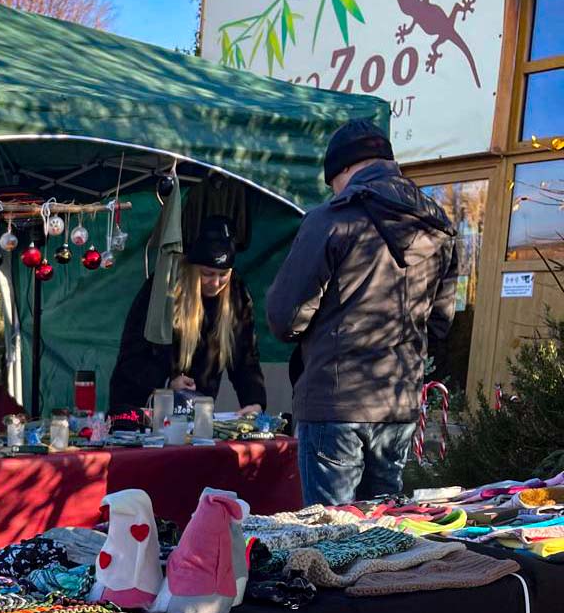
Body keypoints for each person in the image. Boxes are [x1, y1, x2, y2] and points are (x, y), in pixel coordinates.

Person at [267, 120, 457, 506]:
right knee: (383, 536)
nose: (335, 190)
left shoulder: (333, 217)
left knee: (330, 539)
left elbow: (285, 317)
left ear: (344, 169)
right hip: (397, 402)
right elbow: (441, 322)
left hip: (335, 402)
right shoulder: (438, 227)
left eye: (332, 181)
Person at [109, 215, 266, 416]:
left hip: (197, 412)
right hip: (143, 410)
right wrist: (166, 384)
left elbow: (246, 356)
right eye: (207, 274)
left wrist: (254, 401)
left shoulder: (236, 294)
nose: (216, 283)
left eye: (223, 275)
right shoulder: (165, 288)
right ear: (191, 268)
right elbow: (133, 353)